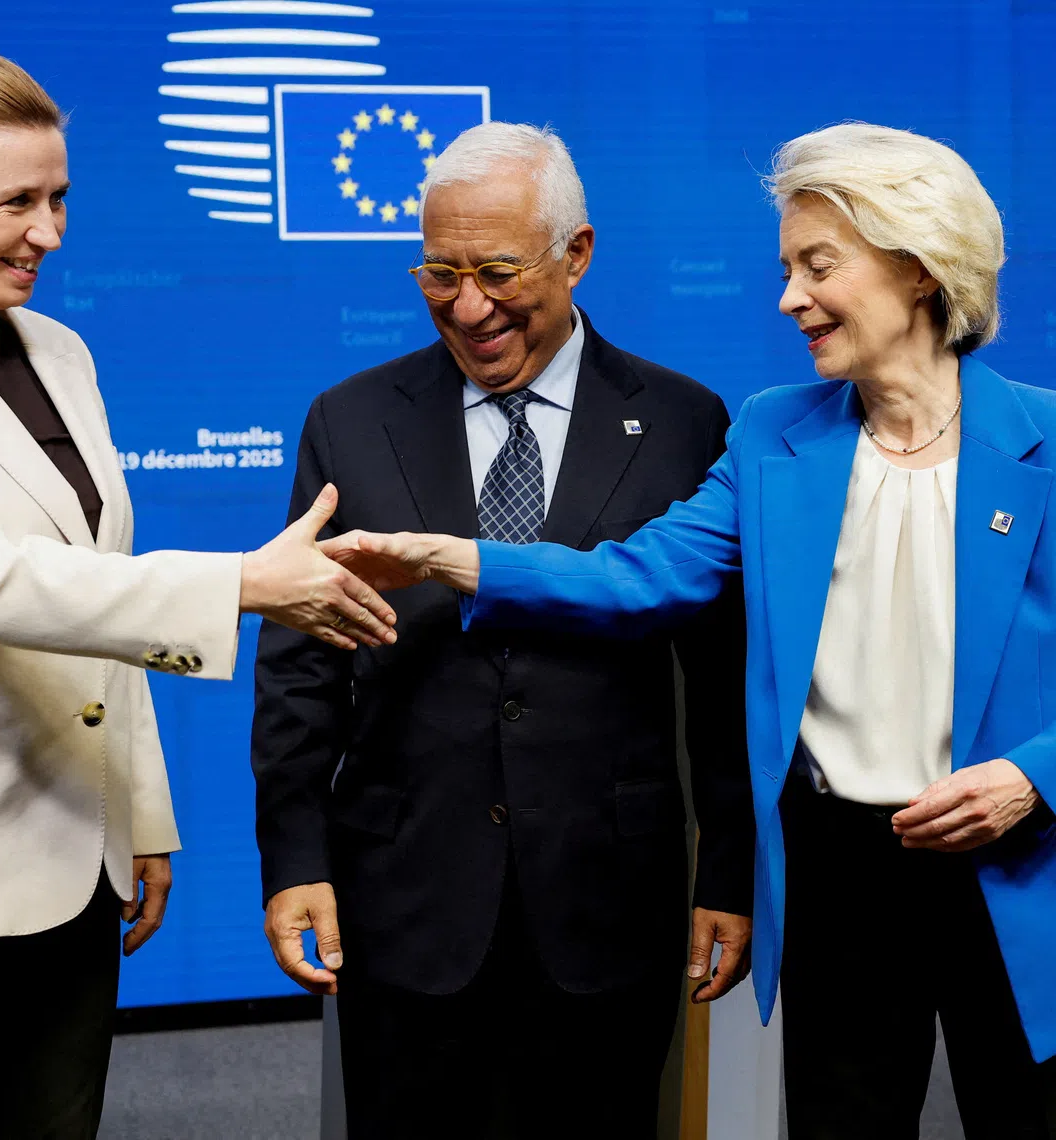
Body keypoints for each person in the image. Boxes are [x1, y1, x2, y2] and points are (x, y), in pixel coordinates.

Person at [323, 122, 1056, 1140]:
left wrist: (1034, 777)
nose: (789, 297)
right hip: (840, 871)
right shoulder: (770, 433)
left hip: (1016, 862)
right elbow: (643, 574)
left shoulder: (1046, 442)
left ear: (920, 269)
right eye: (786, 266)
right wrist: (457, 558)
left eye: (818, 266)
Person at [0, 39, 395, 1140]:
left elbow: (98, 588)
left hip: (73, 866)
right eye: (18, 201)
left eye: (62, 198)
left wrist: (140, 810)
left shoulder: (61, 353)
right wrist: (240, 583)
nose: (51, 232)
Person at [252, 122, 754, 1139]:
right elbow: (300, 669)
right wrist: (295, 859)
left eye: (496, 271)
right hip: (406, 894)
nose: (468, 307)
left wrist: (729, 874)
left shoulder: (683, 422)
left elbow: (723, 675)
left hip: (608, 896)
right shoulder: (351, 418)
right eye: (439, 273)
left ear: (577, 255)